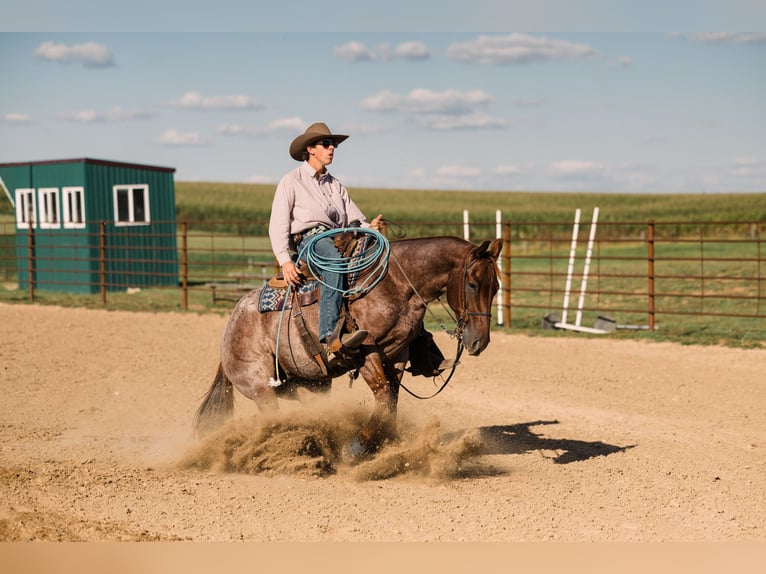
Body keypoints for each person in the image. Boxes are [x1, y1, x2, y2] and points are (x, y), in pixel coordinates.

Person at [269, 122, 383, 356]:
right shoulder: (291, 181)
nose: (332, 148)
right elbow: (278, 224)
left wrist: (370, 227)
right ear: (310, 148)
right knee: (334, 261)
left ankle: (419, 347)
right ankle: (329, 334)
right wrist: (285, 261)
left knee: (382, 261)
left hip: (338, 238)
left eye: (334, 145)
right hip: (310, 241)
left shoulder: (335, 184)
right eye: (326, 144)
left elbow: (355, 218)